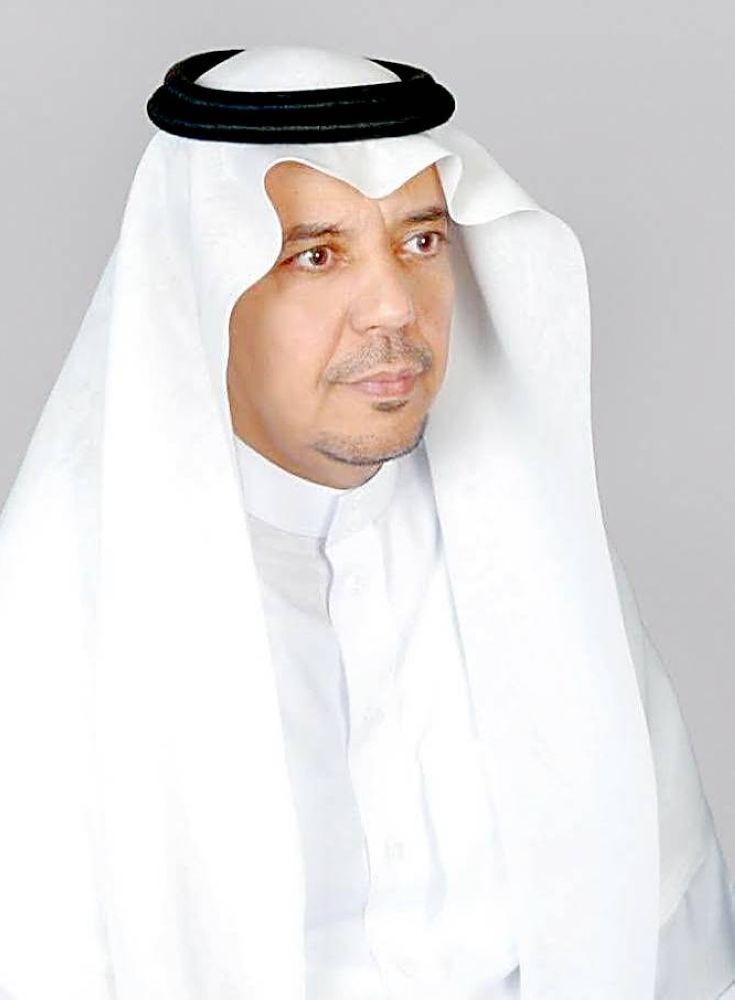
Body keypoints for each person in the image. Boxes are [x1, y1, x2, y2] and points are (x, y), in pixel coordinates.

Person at [0, 44, 731, 1000]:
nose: (393, 307)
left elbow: (667, 930)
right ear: (201, 288)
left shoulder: (533, 554)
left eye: (420, 243)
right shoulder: (54, 631)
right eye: (316, 256)